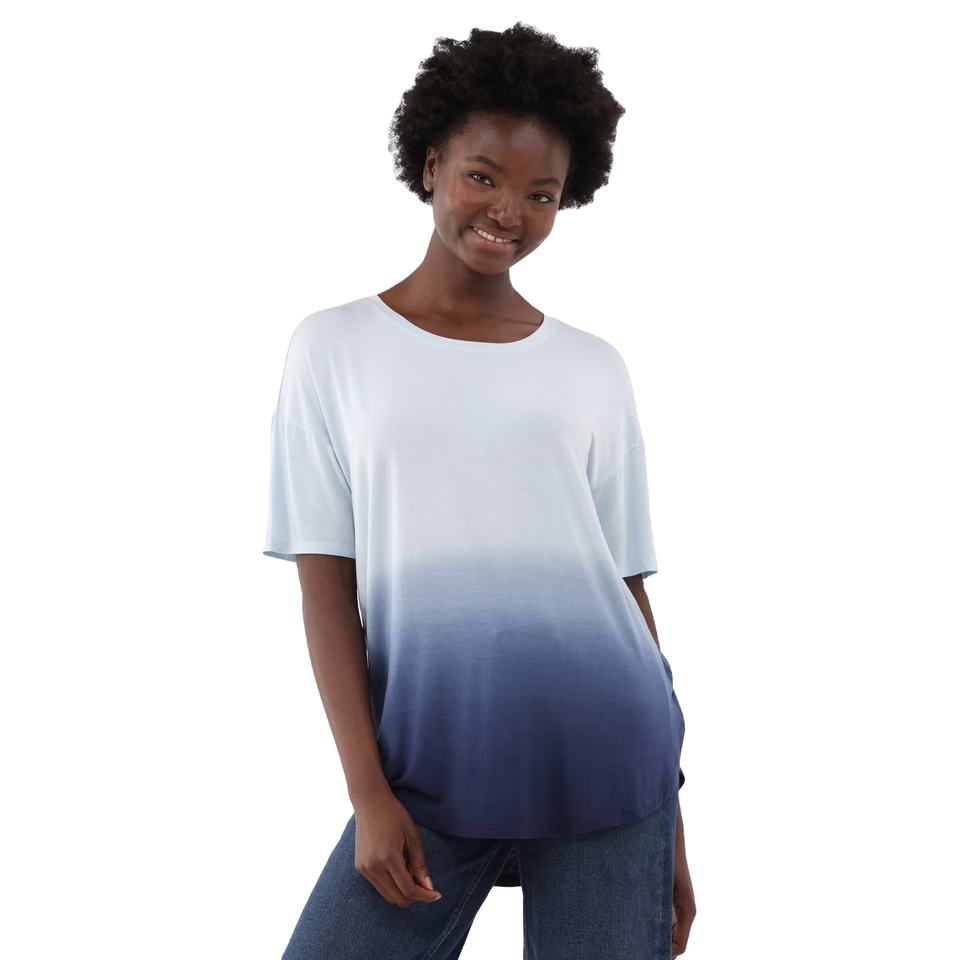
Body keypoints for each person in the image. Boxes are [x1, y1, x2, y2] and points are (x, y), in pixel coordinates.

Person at [263, 22, 695, 959]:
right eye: (484, 176)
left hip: (610, 756)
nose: (510, 212)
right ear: (431, 165)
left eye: (542, 194)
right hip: (428, 766)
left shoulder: (593, 368)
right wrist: (368, 794)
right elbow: (326, 588)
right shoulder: (332, 349)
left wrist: (672, 825)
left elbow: (625, 587)